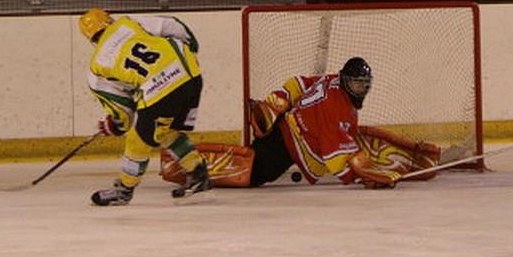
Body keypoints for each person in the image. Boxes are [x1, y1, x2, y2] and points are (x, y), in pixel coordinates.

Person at [160, 57, 441, 190]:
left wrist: (278, 100)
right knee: (251, 173)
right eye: (356, 83)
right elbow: (335, 162)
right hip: (288, 144)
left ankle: (416, 159)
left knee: (355, 145)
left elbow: (299, 83)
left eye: (364, 84)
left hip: (287, 124)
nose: (361, 88)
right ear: (345, 80)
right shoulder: (338, 109)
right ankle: (183, 162)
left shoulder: (333, 80)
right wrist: (362, 177)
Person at [78, 8, 211, 205]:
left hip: (160, 88)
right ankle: (198, 173)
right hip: (190, 72)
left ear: (89, 38)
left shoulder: (97, 67)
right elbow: (172, 25)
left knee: (137, 139)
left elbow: (123, 113)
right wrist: (191, 48)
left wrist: (114, 126)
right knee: (165, 131)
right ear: (109, 20)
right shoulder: (128, 22)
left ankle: (124, 189)